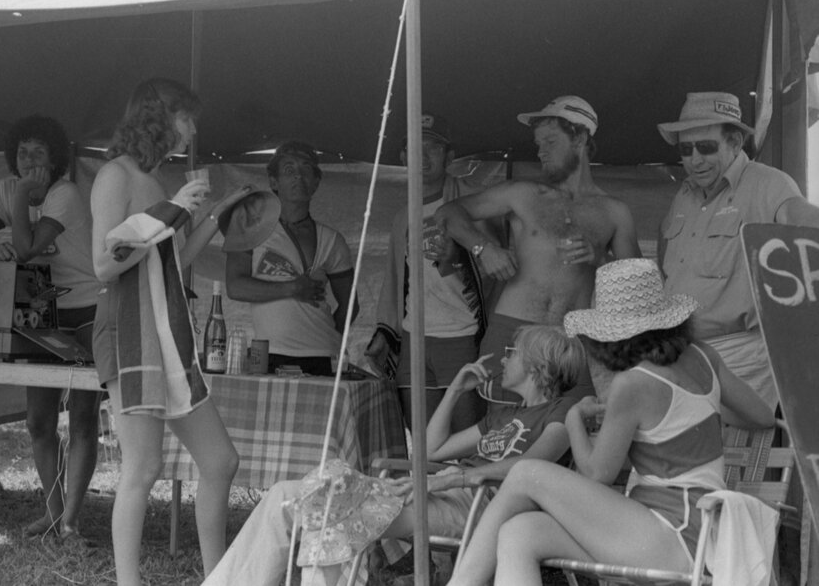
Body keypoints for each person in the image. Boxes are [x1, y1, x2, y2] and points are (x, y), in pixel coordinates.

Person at [445, 258, 774, 586]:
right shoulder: (703, 356)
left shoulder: (633, 384)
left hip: (673, 534)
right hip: (689, 534)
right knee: (520, 533)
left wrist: (575, 416)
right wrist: (698, 408)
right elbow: (761, 415)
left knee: (526, 472)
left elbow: (597, 473)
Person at [202, 324, 586, 586]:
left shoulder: (561, 412)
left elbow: (533, 466)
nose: (503, 360)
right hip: (442, 489)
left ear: (538, 367)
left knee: (335, 510)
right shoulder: (504, 416)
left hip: (482, 504)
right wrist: (455, 390)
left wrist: (453, 478)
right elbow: (431, 449)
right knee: (288, 494)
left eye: (513, 353)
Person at [90, 77, 248, 584]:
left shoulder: (158, 183)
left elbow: (171, 265)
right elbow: (103, 264)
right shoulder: (115, 175)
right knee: (143, 466)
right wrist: (171, 210)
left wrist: (214, 217)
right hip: (128, 330)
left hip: (165, 330)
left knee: (221, 461)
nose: (193, 129)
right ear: (158, 118)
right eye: (186, 118)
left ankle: (217, 575)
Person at [436, 95, 640, 400]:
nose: (540, 151)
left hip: (569, 340)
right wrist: (483, 248)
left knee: (573, 434)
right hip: (513, 334)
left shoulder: (614, 211)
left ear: (580, 138)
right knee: (505, 436)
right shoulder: (523, 193)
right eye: (538, 143)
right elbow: (448, 212)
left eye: (550, 141)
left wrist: (601, 258)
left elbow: (640, 285)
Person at [0, 114, 103, 545]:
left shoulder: (66, 194)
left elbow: (26, 249)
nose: (28, 161)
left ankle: (72, 522)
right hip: (41, 309)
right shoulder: (7, 191)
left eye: (39, 153)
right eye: (22, 152)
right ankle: (53, 512)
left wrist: (24, 199)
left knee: (83, 418)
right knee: (38, 421)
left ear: (56, 158)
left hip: (89, 308)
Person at [657, 92, 819, 410]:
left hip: (740, 355)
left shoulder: (766, 183)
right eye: (686, 149)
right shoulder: (685, 194)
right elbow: (666, 264)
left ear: (734, 142)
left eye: (706, 147)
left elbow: (803, 220)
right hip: (683, 352)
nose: (695, 159)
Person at [365, 113, 500, 431]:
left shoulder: (473, 204)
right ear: (402, 157)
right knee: (423, 446)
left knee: (464, 445)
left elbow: (499, 274)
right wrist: (387, 331)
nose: (422, 157)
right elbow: (396, 283)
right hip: (415, 338)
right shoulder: (403, 217)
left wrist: (454, 262)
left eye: (433, 148)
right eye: (414, 148)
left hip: (463, 336)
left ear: (450, 156)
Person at [226, 140, 357, 376]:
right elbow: (235, 287)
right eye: (288, 170)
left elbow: (350, 305)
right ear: (273, 181)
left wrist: (331, 338)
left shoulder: (332, 240)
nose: (298, 176)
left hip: (322, 354)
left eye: (306, 169)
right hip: (269, 353)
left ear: (316, 182)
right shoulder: (250, 228)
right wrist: (292, 288)